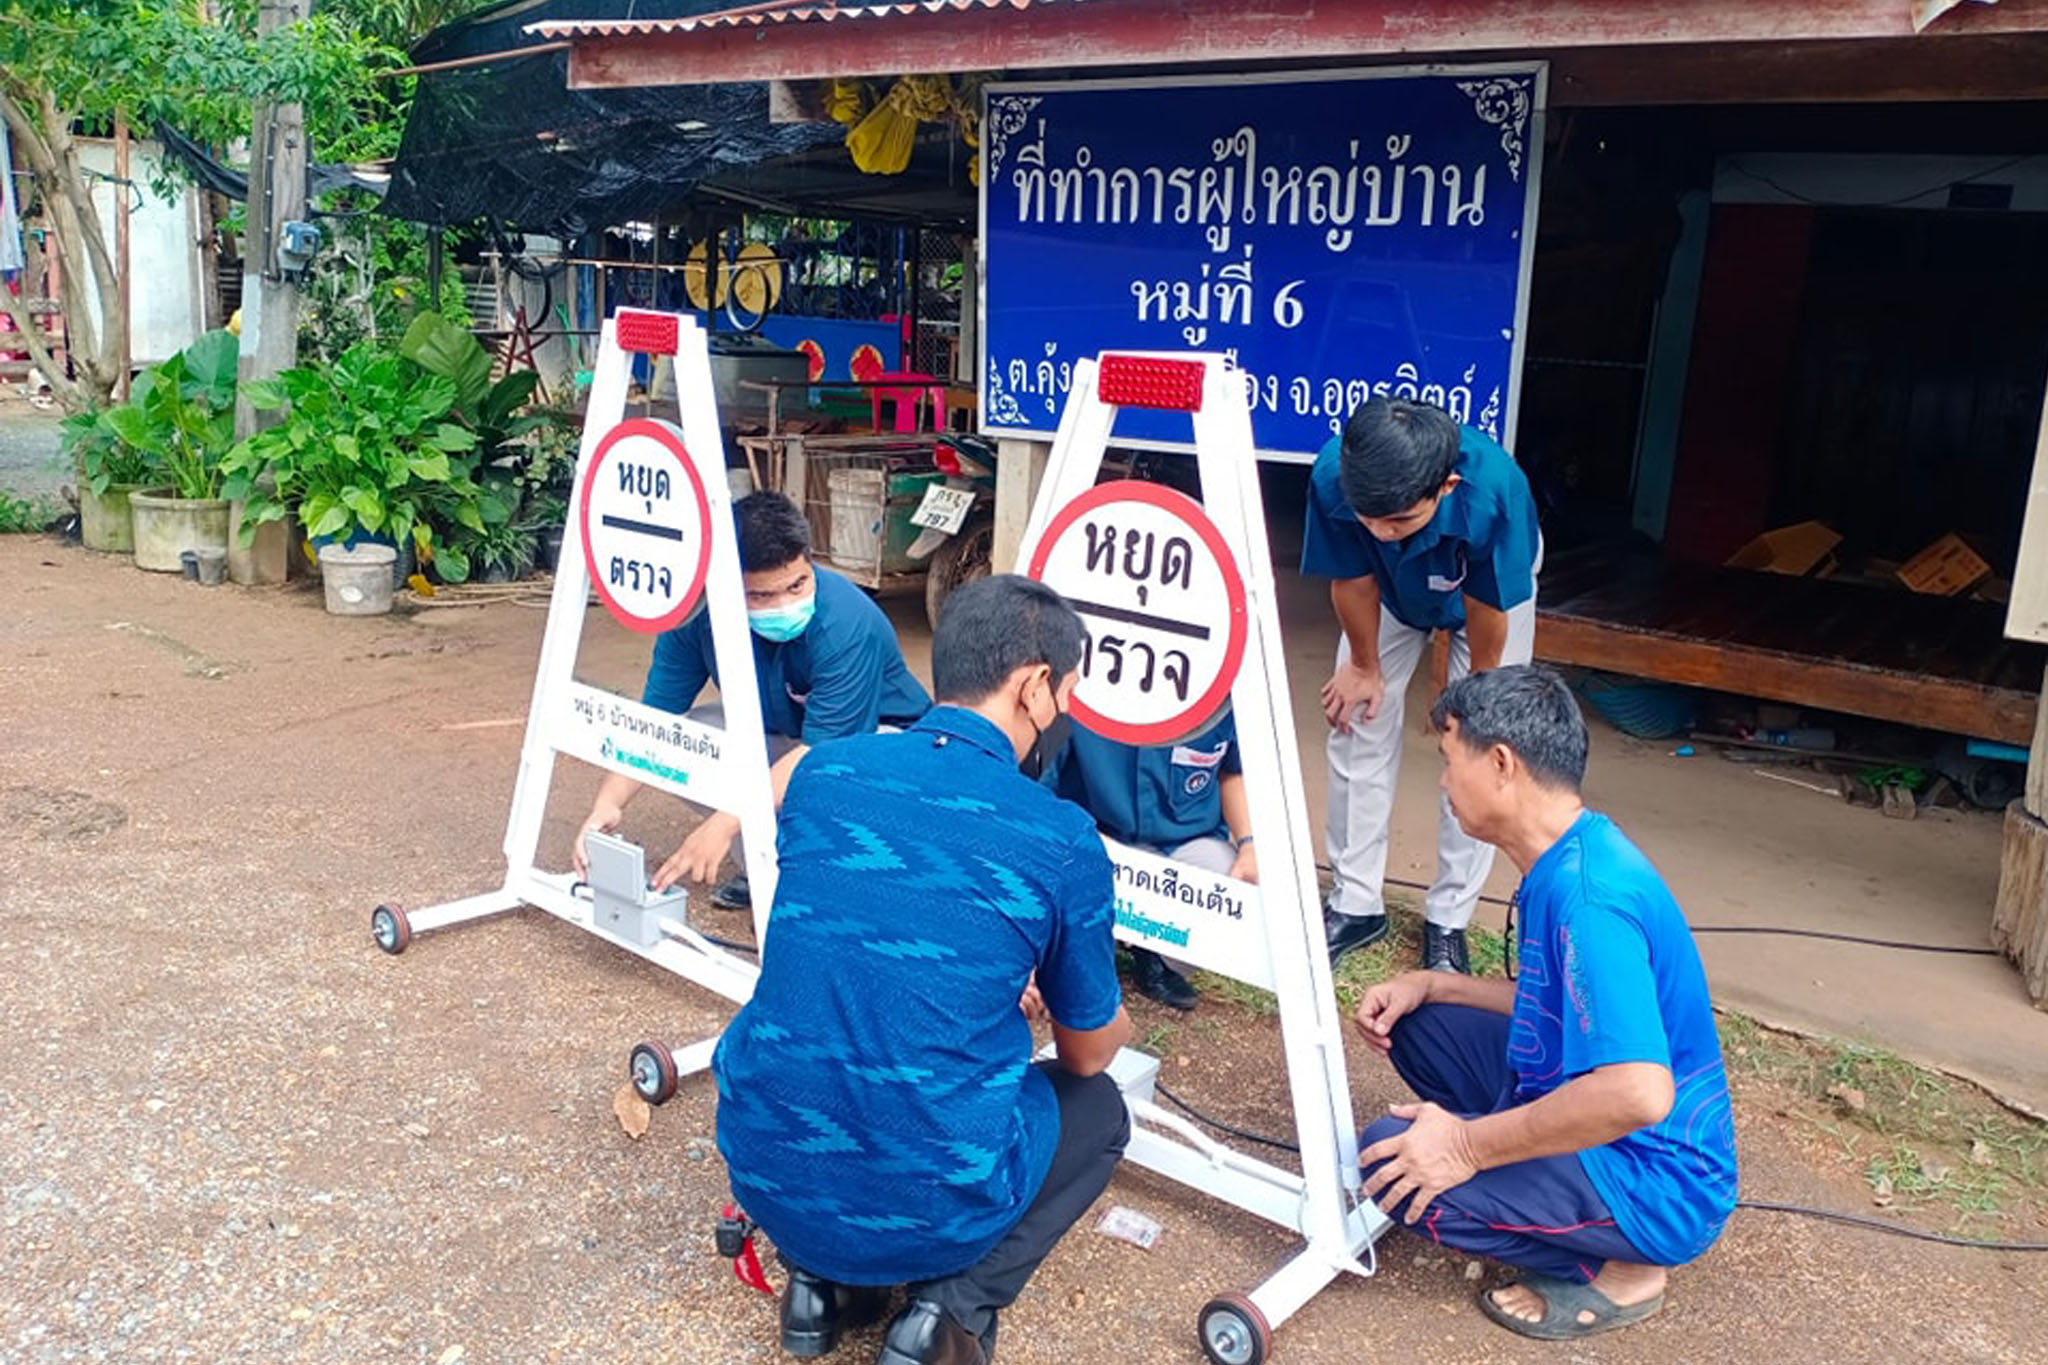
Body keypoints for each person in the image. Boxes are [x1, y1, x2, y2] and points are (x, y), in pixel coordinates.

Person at [713, 574, 1134, 1365]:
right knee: (1100, 1110)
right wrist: (1106, 1015)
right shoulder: (1059, 836)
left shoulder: (823, 772)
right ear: (1035, 685)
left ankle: (816, 1284)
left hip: (764, 1160)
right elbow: (1083, 1052)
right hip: (926, 1197)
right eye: (1067, 696)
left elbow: (879, 928)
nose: (1065, 717)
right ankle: (946, 1311)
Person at [1351, 665, 1737, 1342]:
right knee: (1422, 1023)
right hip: (1606, 1122)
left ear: (1501, 763)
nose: (1443, 782)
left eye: (1448, 761)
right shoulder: (1571, 854)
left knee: (1388, 1162)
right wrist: (1435, 983)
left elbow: (1638, 1092)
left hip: (1658, 1181)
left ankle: (1626, 1266)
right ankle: (1527, 1163)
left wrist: (1467, 1144)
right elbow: (1560, 1005)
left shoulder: (1590, 898)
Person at [571, 490, 930, 902]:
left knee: (845, 783)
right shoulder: (696, 617)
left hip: (881, 745)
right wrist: (607, 804)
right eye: (761, 596)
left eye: (798, 584)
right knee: (693, 739)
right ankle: (770, 870)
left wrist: (723, 824)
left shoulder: (846, 624)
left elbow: (822, 753)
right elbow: (658, 723)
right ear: (723, 585)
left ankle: (840, 881)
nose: (785, 603)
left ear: (809, 560)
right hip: (793, 740)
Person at [1303, 398, 1542, 974]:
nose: (1382, 533)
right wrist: (1364, 666)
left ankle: (1449, 917)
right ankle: (1356, 902)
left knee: (1483, 751)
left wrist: (1478, 700)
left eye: (1399, 521)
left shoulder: (1492, 493)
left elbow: (1488, 611)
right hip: (1386, 594)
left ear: (1448, 486)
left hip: (1484, 599)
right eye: (1370, 519)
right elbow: (1353, 577)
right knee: (1356, 719)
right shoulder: (1338, 475)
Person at [1045, 712, 1257, 1010]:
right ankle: (1085, 947)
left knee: (1228, 880)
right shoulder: (1087, 687)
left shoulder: (1218, 695)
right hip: (1095, 838)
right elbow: (1042, 791)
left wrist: (1248, 844)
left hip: (1182, 844)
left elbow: (1232, 771)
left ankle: (1156, 958)